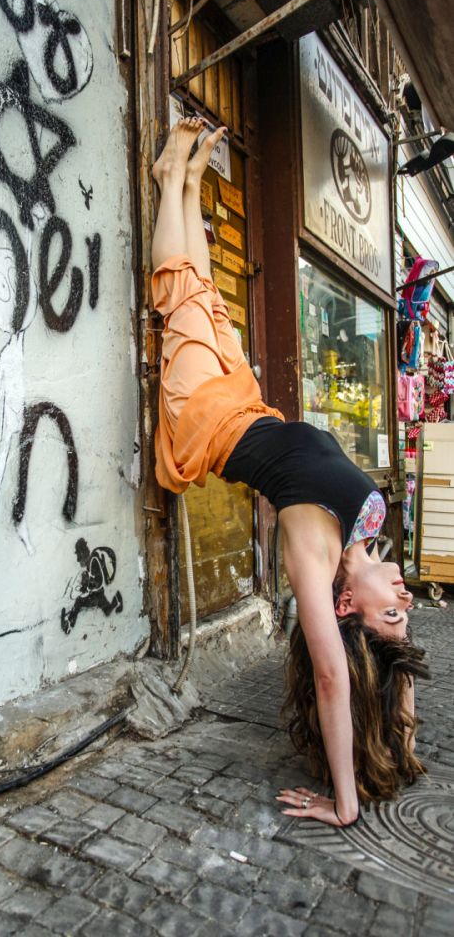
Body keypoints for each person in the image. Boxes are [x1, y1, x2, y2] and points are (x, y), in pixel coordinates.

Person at [151, 116, 422, 827]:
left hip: (207, 420)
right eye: (405, 606)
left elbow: (333, 676)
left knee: (182, 297)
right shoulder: (368, 528)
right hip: (246, 404)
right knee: (209, 300)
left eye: (390, 609)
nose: (403, 594)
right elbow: (396, 675)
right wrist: (399, 716)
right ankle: (184, 183)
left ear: (344, 606)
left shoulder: (315, 558)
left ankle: (171, 178)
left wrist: (346, 803)